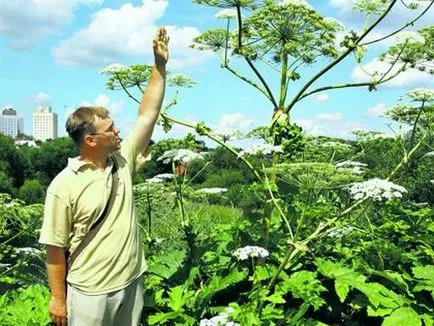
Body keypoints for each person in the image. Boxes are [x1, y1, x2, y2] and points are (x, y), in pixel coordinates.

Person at [38, 27, 169, 326]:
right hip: (89, 294)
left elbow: (147, 113)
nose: (118, 131)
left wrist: (159, 67)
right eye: (110, 129)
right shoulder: (64, 185)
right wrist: (58, 298)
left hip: (132, 282)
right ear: (91, 140)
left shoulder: (123, 159)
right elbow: (54, 248)